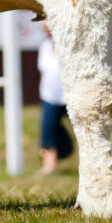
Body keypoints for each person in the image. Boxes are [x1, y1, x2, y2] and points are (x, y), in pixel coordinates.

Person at [37, 26, 73, 174]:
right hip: (50, 97)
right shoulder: (45, 46)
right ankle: (49, 166)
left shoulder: (71, 44)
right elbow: (43, 72)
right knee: (48, 130)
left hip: (71, 96)